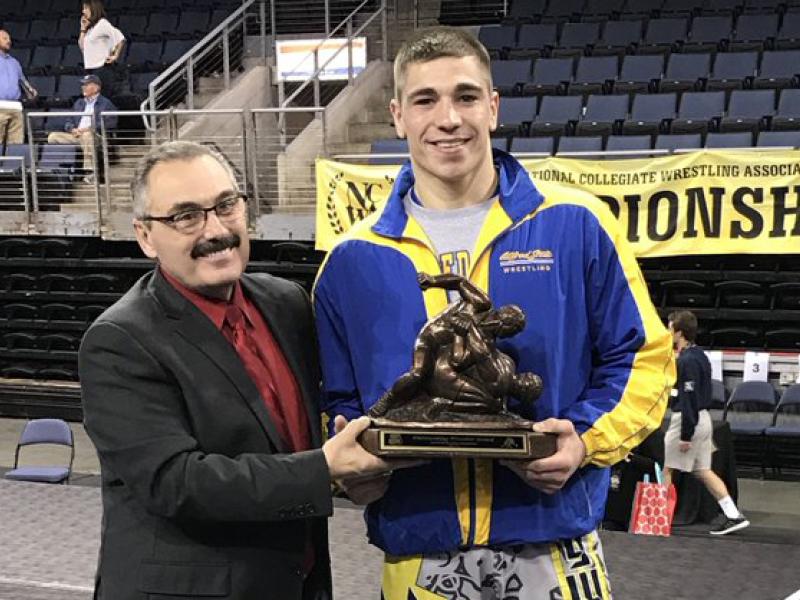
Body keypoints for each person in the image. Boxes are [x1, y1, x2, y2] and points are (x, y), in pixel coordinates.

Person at [313, 26, 676, 599]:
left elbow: (645, 362)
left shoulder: (576, 223)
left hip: (555, 545)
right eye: (424, 100)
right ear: (398, 116)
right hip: (417, 550)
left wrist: (583, 440)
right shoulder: (351, 258)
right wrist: (350, 469)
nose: (448, 118)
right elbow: (338, 402)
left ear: (493, 107)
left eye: (465, 96)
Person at [78, 141, 409, 599]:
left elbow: (291, 441)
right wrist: (324, 470)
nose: (216, 229)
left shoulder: (285, 302)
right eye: (186, 216)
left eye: (226, 205)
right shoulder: (120, 340)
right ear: (145, 235)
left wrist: (352, 473)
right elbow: (176, 482)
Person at [664, 310, 750, 536]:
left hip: (688, 419)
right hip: (703, 419)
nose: (667, 331)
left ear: (679, 332)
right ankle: (733, 515)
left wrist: (685, 434)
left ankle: (659, 519)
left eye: (670, 327)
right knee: (703, 471)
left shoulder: (688, 361)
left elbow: (689, 397)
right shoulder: (698, 355)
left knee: (667, 469)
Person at [47, 74, 116, 181]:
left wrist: (89, 129)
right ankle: (59, 170)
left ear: (96, 87)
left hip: (96, 137)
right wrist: (71, 129)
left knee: (87, 135)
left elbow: (109, 122)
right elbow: (69, 120)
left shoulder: (106, 104)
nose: (83, 87)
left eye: (86, 85)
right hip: (77, 136)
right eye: (83, 85)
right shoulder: (79, 103)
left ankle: (91, 172)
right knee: (53, 137)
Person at [79, 0, 125, 99]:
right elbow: (82, 46)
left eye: (86, 8)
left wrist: (115, 56)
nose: (83, 11)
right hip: (90, 68)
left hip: (101, 69)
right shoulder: (90, 29)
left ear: (93, 9)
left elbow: (120, 38)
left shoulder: (102, 24)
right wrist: (83, 29)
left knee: (102, 99)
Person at [0, 29, 37, 144]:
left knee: (16, 144)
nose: (9, 41)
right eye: (5, 38)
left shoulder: (14, 62)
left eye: (9, 39)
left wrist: (31, 91)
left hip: (16, 107)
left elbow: (23, 81)